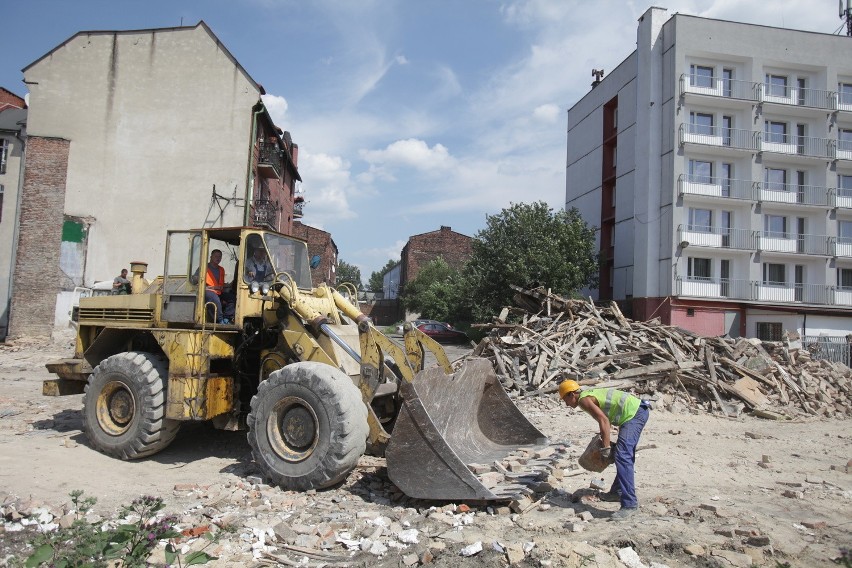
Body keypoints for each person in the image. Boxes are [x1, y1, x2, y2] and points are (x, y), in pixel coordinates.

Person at [559, 378, 651, 519]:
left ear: (572, 394)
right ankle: (617, 492)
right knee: (624, 455)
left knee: (623, 456)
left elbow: (604, 420)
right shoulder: (587, 395)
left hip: (634, 414)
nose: (566, 404)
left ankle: (630, 505)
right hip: (636, 411)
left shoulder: (584, 401)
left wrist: (606, 448)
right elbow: (607, 417)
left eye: (565, 399)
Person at [204, 249, 227, 323]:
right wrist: (213, 287)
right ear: (211, 257)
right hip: (208, 291)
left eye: (220, 257)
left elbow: (221, 283)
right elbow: (197, 284)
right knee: (215, 299)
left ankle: (227, 318)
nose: (218, 258)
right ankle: (220, 320)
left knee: (232, 298)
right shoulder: (204, 268)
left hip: (219, 291)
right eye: (216, 256)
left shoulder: (221, 269)